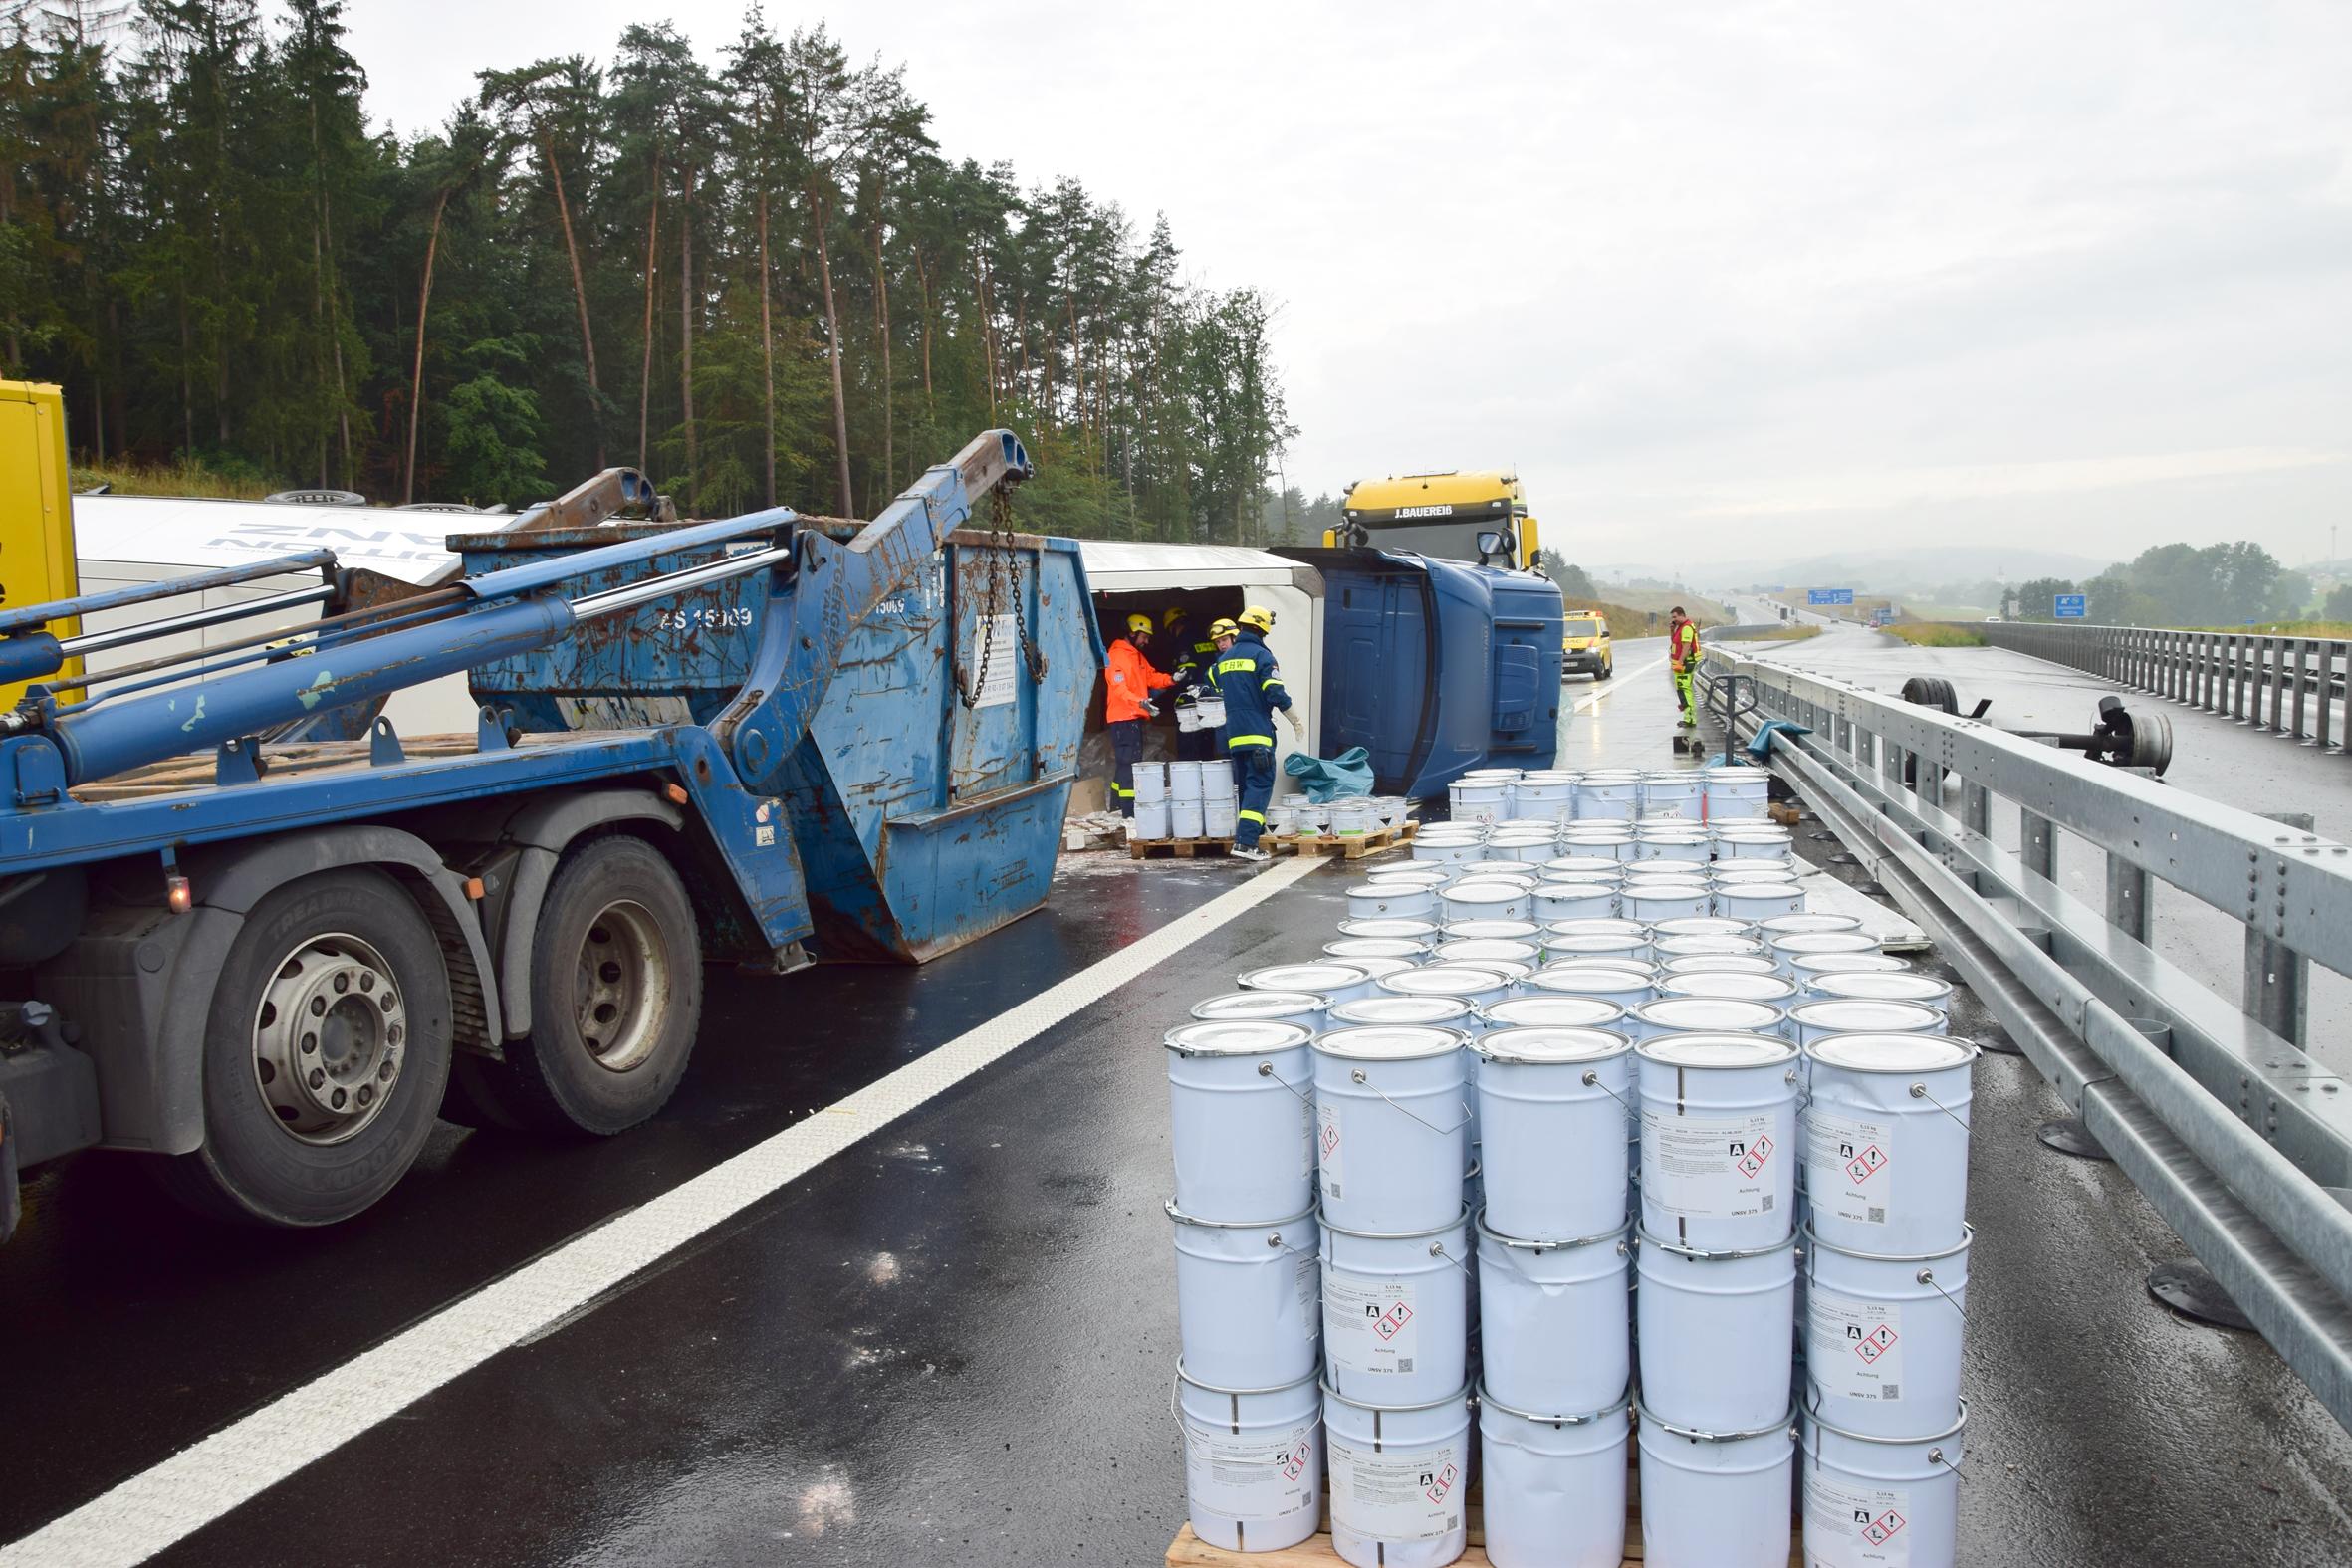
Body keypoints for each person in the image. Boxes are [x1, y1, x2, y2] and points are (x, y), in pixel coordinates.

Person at [1211, 605, 1305, 861]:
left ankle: (1249, 835)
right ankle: (1246, 843)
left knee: (1246, 787)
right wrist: (1294, 718)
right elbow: (1274, 692)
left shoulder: (1224, 660)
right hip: (1258, 735)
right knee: (1260, 785)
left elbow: (1214, 682)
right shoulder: (1262, 656)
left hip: (1234, 736)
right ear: (1262, 628)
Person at [1103, 612, 1174, 818]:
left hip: (1132, 717)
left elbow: (1151, 677)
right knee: (1129, 766)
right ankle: (1129, 815)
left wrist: (1171, 679)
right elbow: (1119, 688)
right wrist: (1139, 701)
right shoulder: (1116, 656)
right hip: (1123, 718)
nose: (1147, 641)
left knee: (1125, 764)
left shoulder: (1136, 655)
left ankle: (1116, 807)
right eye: (1144, 636)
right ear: (1132, 633)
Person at [1166, 607, 1221, 762]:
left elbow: (1186, 674)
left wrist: (1174, 690)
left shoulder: (1183, 640)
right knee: (1206, 743)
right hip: (1210, 699)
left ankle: (1190, 783)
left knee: (1188, 745)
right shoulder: (1206, 637)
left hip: (1190, 700)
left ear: (1172, 627)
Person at [1668, 604, 1701, 728]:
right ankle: (1689, 717)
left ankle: (1689, 719)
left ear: (1682, 615)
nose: (1673, 619)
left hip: (1685, 664)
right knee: (1683, 690)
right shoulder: (1680, 627)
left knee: (1684, 691)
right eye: (1672, 617)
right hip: (1682, 663)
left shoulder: (1686, 627)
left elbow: (1686, 647)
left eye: (1675, 617)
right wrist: (1672, 630)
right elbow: (1675, 643)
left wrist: (1680, 662)